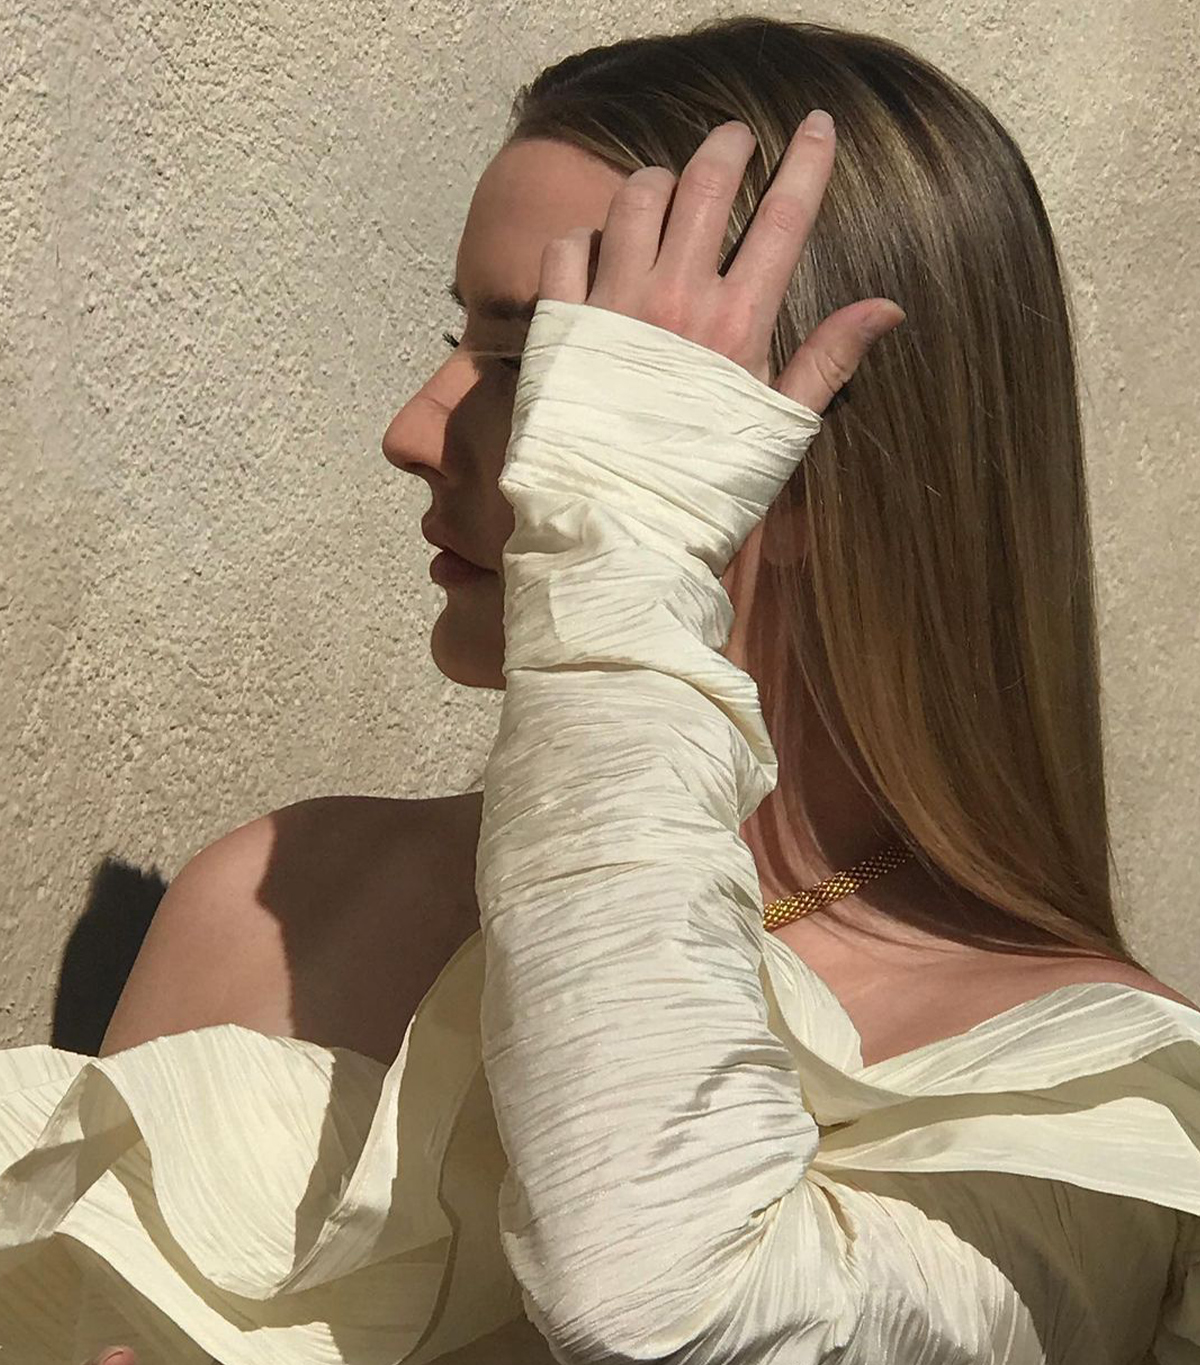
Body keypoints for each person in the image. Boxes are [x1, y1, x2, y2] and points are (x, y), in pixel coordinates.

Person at [7, 13, 1196, 1365]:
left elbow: (668, 1309)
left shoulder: (1082, 1093)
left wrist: (625, 546)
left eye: (543, 368)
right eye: (463, 339)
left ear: (811, 466)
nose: (413, 427)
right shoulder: (286, 902)